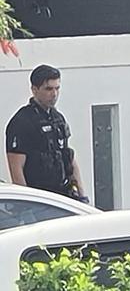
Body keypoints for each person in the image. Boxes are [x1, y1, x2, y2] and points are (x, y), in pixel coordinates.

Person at [5, 64, 88, 202]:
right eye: (48, 89)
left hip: (63, 195)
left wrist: (82, 195)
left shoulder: (58, 119)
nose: (54, 94)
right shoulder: (22, 121)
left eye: (57, 88)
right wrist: (27, 205)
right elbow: (16, 170)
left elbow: (68, 157)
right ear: (34, 90)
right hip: (41, 199)